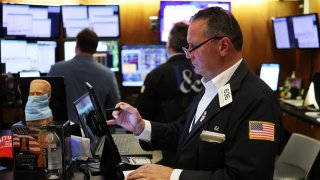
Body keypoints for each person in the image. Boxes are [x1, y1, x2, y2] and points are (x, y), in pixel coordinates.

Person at [108, 7, 283, 180]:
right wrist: (141, 127)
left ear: (223, 46)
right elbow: (182, 133)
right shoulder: (210, 87)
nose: (188, 55)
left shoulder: (258, 101)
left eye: (193, 47)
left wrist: (173, 176)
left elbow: (246, 176)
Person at [135, 22, 202, 166]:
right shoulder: (204, 71)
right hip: (201, 151)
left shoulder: (156, 75)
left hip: (166, 150)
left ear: (169, 44)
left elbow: (142, 115)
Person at [48, 28, 120, 123]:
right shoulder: (108, 74)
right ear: (95, 48)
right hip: (95, 134)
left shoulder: (55, 69)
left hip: (64, 133)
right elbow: (115, 106)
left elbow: (45, 103)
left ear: (77, 45)